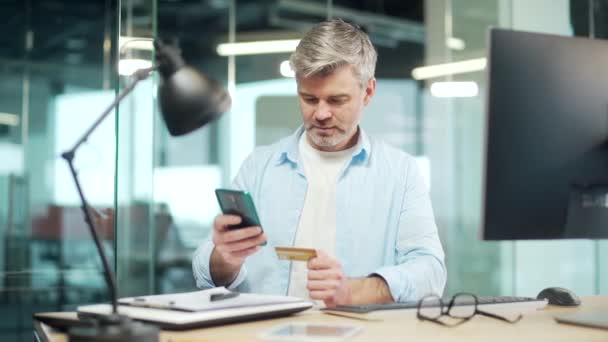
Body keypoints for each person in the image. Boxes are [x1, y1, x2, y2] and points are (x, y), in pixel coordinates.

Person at [193, 19, 446, 307]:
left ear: (368, 92)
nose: (321, 114)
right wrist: (225, 258)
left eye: (337, 100)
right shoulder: (258, 167)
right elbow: (205, 270)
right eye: (309, 99)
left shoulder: (400, 173)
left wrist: (353, 291)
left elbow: (431, 272)